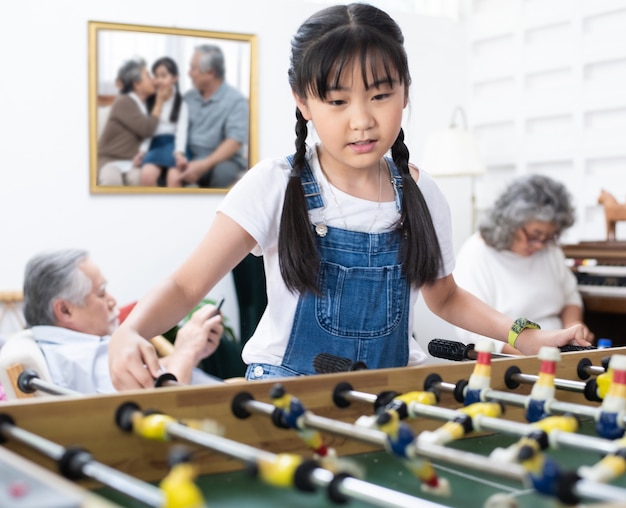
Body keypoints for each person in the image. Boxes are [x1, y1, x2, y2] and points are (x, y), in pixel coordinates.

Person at [108, 3, 591, 390]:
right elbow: (186, 287)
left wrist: (525, 336)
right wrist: (128, 333)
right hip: (284, 391)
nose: (361, 119)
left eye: (380, 95)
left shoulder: (421, 194)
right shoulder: (273, 185)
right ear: (303, 101)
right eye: (337, 101)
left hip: (393, 389)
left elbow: (444, 295)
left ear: (405, 92)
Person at [22, 249, 224, 394]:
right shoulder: (81, 356)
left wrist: (193, 353)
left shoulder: (71, 349)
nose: (112, 301)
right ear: (65, 310)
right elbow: (162, 406)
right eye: (101, 293)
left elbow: (145, 378)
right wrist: (186, 352)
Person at [453, 174, 594, 354]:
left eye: (549, 237)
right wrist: (533, 355)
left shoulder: (549, 251)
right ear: (510, 222)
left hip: (556, 353)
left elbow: (570, 297)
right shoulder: (477, 252)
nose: (540, 244)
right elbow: (471, 331)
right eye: (535, 235)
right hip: (511, 357)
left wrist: (574, 327)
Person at [177, 44, 249, 188]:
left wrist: (204, 165)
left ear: (210, 73)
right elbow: (178, 133)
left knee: (222, 173)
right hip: (191, 157)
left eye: (193, 68)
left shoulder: (236, 100)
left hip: (222, 160)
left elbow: (234, 142)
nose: (189, 73)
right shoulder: (188, 98)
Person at [97, 57, 170, 186]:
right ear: (136, 84)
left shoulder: (145, 105)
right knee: (112, 181)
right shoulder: (124, 101)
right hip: (110, 161)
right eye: (148, 75)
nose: (153, 80)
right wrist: (160, 102)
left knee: (138, 179)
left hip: (132, 163)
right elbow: (147, 129)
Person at [139, 57, 189, 187]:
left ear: (175, 77)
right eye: (156, 76)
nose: (159, 80)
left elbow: (181, 131)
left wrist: (179, 153)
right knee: (146, 175)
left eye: (163, 75)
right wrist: (142, 151)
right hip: (155, 145)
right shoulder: (150, 102)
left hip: (173, 145)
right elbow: (148, 130)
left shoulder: (181, 104)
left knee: (174, 177)